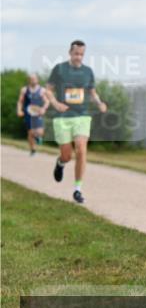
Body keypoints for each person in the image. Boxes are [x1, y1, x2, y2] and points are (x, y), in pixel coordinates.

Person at [47, 41, 107, 203]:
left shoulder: (88, 71)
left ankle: (77, 190)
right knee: (67, 155)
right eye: (76, 54)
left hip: (82, 116)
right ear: (70, 53)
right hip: (63, 117)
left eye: (81, 54)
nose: (79, 57)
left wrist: (99, 103)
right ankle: (61, 163)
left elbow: (92, 92)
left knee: (81, 149)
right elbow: (48, 91)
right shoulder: (59, 69)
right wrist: (55, 104)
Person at [16, 73, 50, 155]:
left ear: (37, 80)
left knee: (40, 132)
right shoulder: (24, 90)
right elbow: (20, 102)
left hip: (38, 113)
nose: (33, 80)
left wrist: (43, 109)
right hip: (28, 113)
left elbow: (47, 102)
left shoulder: (42, 90)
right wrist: (19, 110)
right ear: (29, 80)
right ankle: (33, 149)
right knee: (30, 132)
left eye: (34, 79)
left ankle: (38, 137)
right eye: (31, 79)